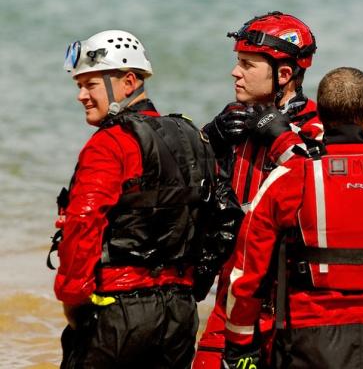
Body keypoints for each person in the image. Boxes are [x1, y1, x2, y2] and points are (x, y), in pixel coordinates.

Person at [50, 29, 242, 368]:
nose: (80, 95)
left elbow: (83, 221)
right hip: (179, 317)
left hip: (115, 312)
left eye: (90, 84)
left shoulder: (109, 144)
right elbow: (227, 218)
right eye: (79, 85)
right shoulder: (193, 136)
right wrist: (193, 285)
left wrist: (72, 298)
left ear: (128, 82)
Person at [224, 67, 363, 369]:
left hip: (310, 338)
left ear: (319, 113)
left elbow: (248, 266)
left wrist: (240, 343)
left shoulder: (294, 176)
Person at [193, 11, 322, 368]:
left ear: (283, 74)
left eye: (248, 65)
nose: (236, 72)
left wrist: (284, 138)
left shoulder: (317, 127)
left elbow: (324, 197)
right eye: (238, 63)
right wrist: (208, 140)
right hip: (232, 290)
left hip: (291, 301)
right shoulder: (232, 119)